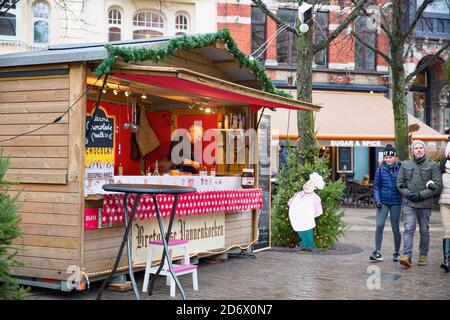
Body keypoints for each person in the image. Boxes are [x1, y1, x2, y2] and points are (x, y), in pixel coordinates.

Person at [396, 140, 442, 268]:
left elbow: (438, 186)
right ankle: (407, 256)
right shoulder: (405, 165)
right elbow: (399, 182)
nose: (419, 150)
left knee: (424, 231)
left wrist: (421, 195)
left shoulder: (432, 165)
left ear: (424, 150)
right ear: (413, 151)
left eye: (421, 147)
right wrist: (409, 194)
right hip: (409, 203)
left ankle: (423, 255)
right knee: (409, 229)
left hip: (425, 204)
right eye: (416, 148)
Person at [370, 144, 402, 262]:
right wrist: (377, 200)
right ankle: (377, 251)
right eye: (386, 157)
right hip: (382, 201)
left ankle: (397, 252)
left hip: (396, 202)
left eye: (390, 157)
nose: (388, 159)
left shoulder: (400, 169)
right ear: (384, 158)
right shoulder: (380, 170)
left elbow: (402, 184)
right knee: (379, 225)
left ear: (395, 157)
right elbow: (376, 187)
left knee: (395, 227)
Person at [288, 172, 325, 251]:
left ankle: (310, 244)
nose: (307, 186)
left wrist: (313, 215)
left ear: (315, 188)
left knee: (308, 230)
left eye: (310, 185)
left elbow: (318, 209)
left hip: (307, 218)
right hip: (297, 217)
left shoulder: (315, 197)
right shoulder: (298, 194)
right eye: (306, 184)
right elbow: (291, 201)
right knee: (299, 229)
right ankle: (304, 242)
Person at [438, 142, 450, 273]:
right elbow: (436, 183)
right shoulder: (441, 168)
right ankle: (446, 261)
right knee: (447, 232)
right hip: (445, 204)